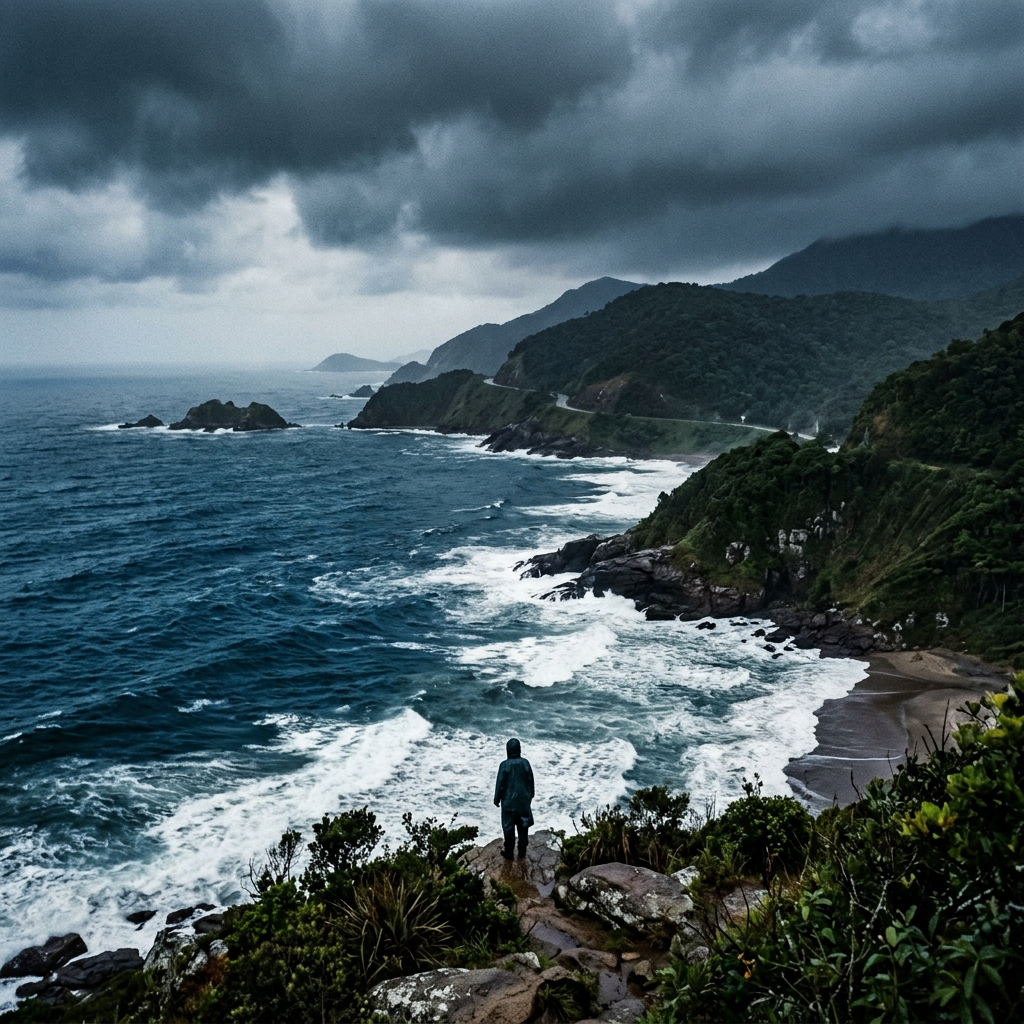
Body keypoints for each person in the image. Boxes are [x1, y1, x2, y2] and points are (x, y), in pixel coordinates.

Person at [493, 737, 534, 860]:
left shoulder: (504, 765)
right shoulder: (525, 763)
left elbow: (500, 784)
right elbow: (531, 781)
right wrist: (529, 796)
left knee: (508, 828)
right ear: (519, 749)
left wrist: (496, 799)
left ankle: (509, 853)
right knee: (523, 827)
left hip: (508, 803)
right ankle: (522, 852)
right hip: (523, 802)